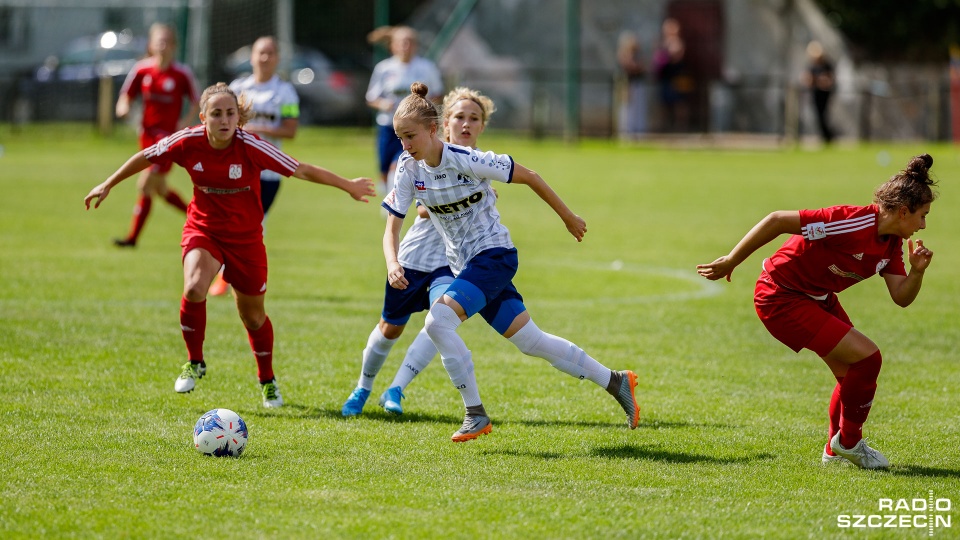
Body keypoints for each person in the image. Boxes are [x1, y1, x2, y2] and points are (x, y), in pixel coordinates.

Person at [84, 82, 376, 407]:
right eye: (217, 114)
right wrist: (108, 183)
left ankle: (267, 380)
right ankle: (195, 362)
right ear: (203, 117)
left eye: (230, 113)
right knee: (194, 287)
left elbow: (301, 169)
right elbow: (146, 155)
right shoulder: (188, 141)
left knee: (253, 317)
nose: (224, 120)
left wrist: (347, 185)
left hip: (246, 240)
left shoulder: (251, 146)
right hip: (203, 230)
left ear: (239, 117)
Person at [382, 82, 640, 442]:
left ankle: (475, 414)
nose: (405, 146)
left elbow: (530, 176)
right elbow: (391, 226)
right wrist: (393, 264)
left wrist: (567, 217)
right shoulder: (408, 169)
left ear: (432, 129)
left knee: (438, 322)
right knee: (532, 342)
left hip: (493, 256)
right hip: (465, 265)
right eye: (399, 138)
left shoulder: (467, 159)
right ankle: (615, 381)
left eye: (410, 136)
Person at [696, 154, 937, 469]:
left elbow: (901, 297)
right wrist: (731, 260)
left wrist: (917, 272)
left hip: (816, 298)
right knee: (868, 358)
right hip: (780, 295)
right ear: (903, 212)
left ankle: (835, 452)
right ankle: (850, 443)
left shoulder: (890, 244)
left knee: (853, 374)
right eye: (922, 215)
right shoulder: (851, 221)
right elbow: (778, 220)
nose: (923, 225)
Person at [341, 86, 496, 417]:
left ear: (482, 125)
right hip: (415, 257)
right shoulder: (419, 159)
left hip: (452, 262)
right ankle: (362, 387)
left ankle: (396, 389)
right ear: (442, 124)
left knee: (438, 321)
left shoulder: (482, 163)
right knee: (390, 328)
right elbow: (420, 210)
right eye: (460, 117)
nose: (466, 125)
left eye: (474, 119)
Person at [209, 35, 300, 296]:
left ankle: (236, 276)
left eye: (270, 53)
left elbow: (290, 131)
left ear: (277, 58)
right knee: (233, 221)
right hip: (236, 168)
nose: (265, 58)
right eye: (260, 53)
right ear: (251, 57)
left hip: (269, 172)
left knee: (254, 224)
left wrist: (255, 128)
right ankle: (228, 275)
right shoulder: (237, 87)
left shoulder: (286, 92)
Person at [113, 23, 200, 247]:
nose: (162, 46)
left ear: (174, 46)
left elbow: (197, 101)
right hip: (146, 136)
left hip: (168, 141)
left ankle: (132, 239)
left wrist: (185, 122)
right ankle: (200, 220)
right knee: (160, 189)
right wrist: (123, 107)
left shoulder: (182, 73)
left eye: (167, 41)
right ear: (151, 45)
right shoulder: (142, 69)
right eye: (158, 41)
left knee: (144, 185)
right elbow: (126, 96)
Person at [365, 26, 444, 195]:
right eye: (401, 42)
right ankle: (389, 189)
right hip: (388, 125)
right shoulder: (384, 68)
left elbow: (437, 94)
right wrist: (383, 104)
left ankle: (400, 198)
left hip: (415, 127)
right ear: (392, 46)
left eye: (410, 42)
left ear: (415, 45)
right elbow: (371, 98)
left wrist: (423, 108)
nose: (405, 46)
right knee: (385, 167)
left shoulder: (426, 68)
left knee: (401, 162)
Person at [652, 17, 691, 132]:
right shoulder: (663, 42)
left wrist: (666, 55)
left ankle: (680, 126)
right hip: (666, 76)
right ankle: (665, 125)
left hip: (677, 75)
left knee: (680, 102)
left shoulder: (677, 42)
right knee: (664, 102)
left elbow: (676, 56)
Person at [802, 41, 836, 144]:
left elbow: (829, 80)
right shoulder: (812, 66)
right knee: (818, 115)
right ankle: (825, 136)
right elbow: (807, 80)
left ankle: (828, 136)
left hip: (825, 93)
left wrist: (822, 80)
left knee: (823, 115)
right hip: (815, 93)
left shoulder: (826, 65)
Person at [616, 31, 648, 137]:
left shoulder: (638, 55)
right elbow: (629, 66)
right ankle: (625, 132)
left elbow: (642, 67)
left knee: (638, 109)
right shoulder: (622, 53)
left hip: (637, 83)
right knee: (626, 109)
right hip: (627, 84)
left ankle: (639, 132)